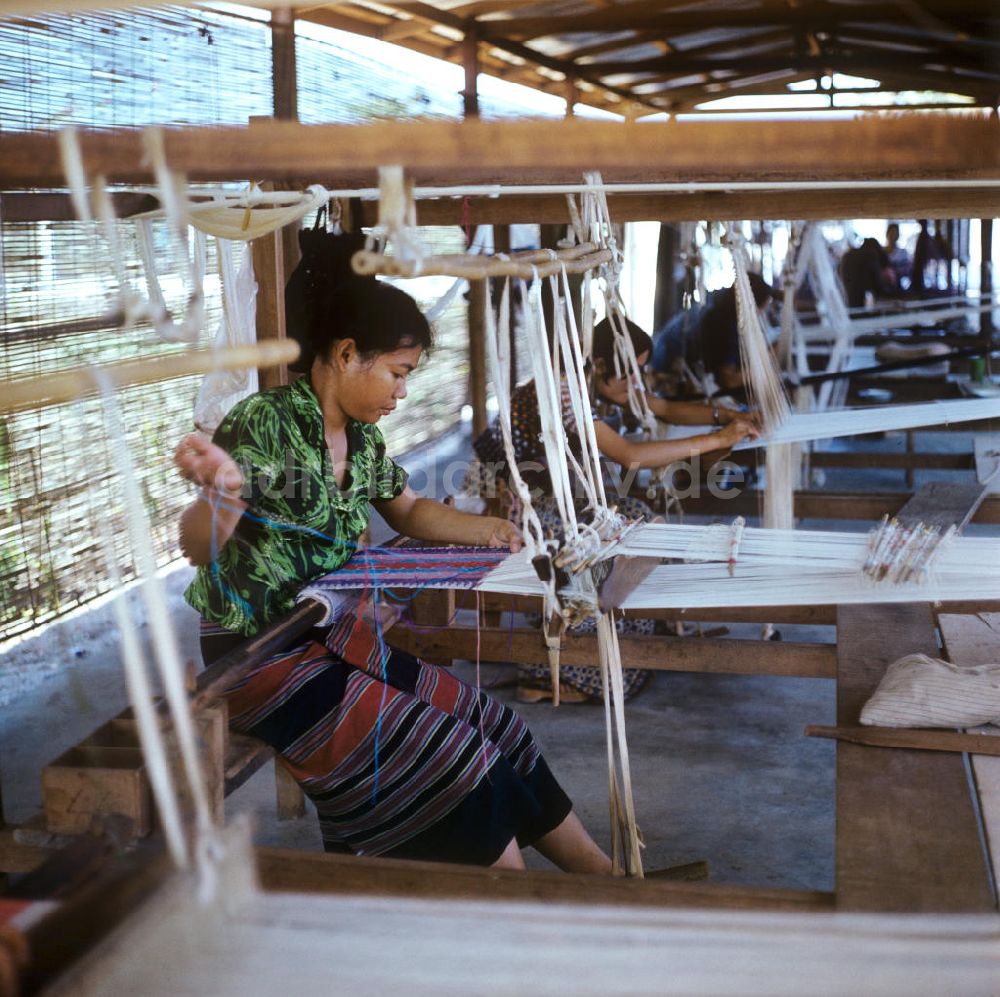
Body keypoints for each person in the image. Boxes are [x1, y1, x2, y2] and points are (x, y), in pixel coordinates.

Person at [175, 252, 612, 873]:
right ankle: (516, 917)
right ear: (348, 353)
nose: (403, 392)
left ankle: (603, 879)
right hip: (257, 655)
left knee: (496, 724)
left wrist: (489, 530)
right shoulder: (264, 423)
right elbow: (198, 544)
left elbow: (408, 511)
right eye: (398, 373)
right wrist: (220, 496)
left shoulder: (361, 438)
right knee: (453, 754)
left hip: (324, 635)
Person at [465, 315, 758, 703]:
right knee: (613, 542)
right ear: (600, 365)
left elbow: (659, 406)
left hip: (563, 497)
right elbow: (630, 455)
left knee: (640, 519)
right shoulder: (564, 391)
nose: (636, 382)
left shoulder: (590, 380)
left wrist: (734, 417)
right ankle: (556, 671)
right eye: (629, 373)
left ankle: (633, 632)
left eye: (640, 371)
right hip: (530, 513)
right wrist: (719, 437)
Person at [651, 274, 779, 394]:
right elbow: (728, 381)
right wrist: (765, 362)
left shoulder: (722, 301)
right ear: (751, 305)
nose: (761, 313)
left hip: (664, 358)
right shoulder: (721, 320)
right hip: (666, 374)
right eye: (762, 308)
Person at [839, 237, 894, 309]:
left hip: (845, 302)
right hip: (862, 304)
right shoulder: (870, 256)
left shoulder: (848, 255)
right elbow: (879, 286)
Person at [884, 222, 911, 293]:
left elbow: (907, 270)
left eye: (895, 234)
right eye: (891, 233)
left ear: (898, 236)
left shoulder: (903, 252)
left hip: (898, 286)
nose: (893, 236)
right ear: (887, 234)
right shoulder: (881, 251)